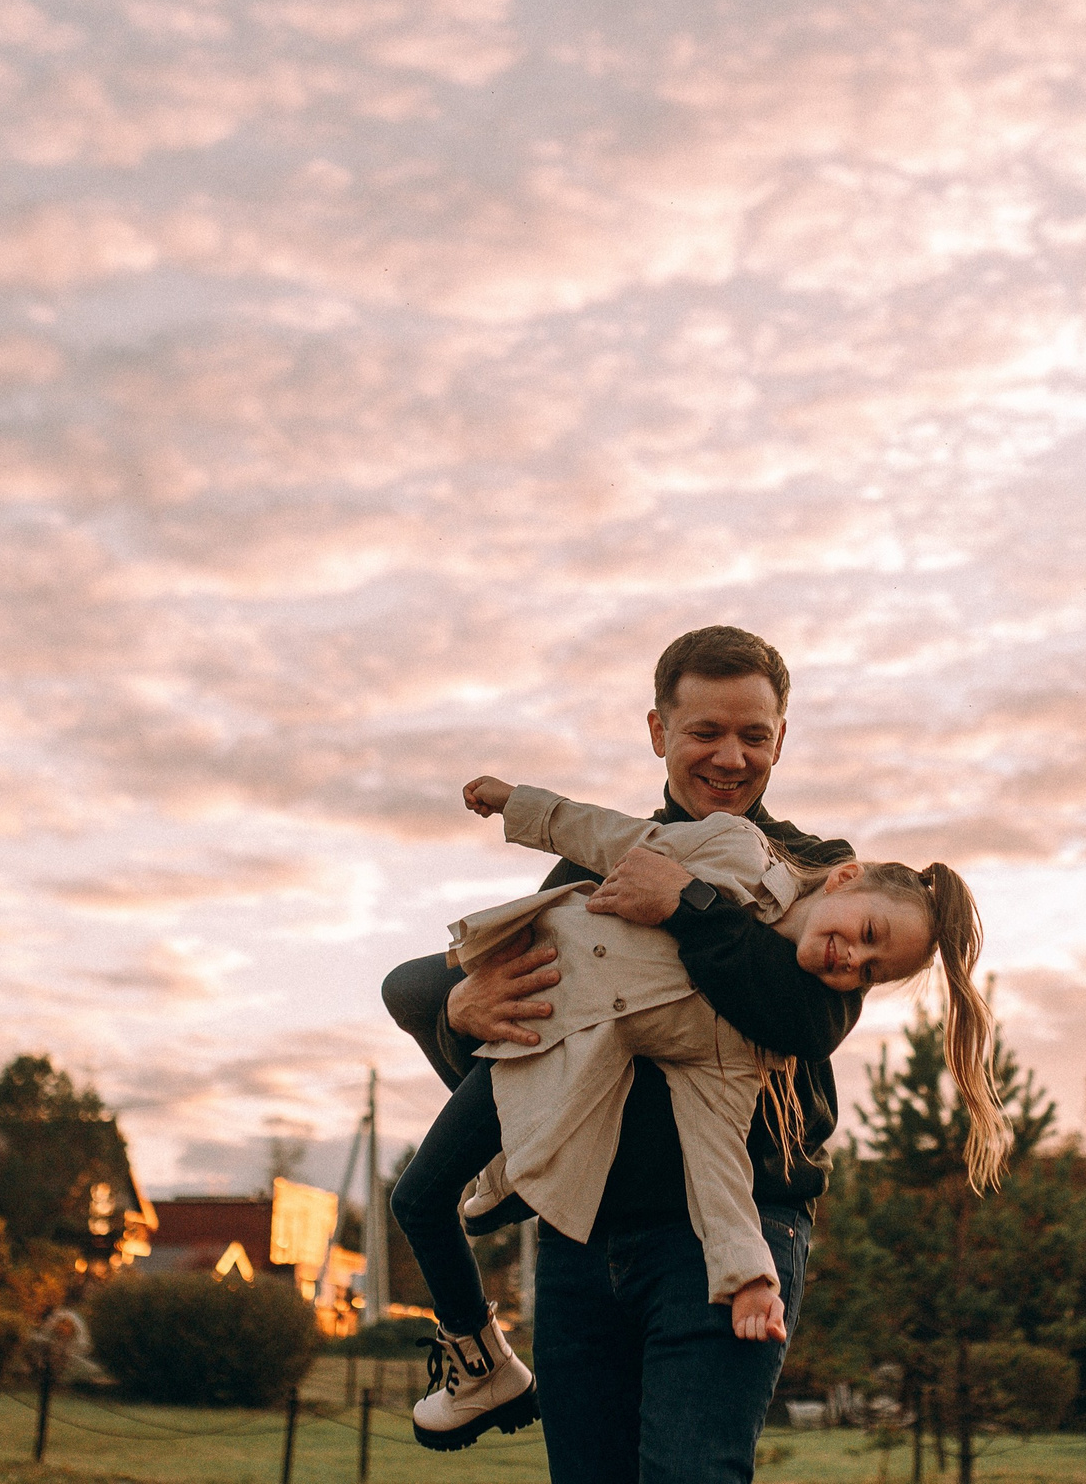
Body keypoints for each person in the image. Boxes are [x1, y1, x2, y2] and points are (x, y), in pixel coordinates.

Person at [377, 627, 863, 1482]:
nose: (730, 756)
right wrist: (459, 1010)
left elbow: (804, 1019)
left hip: (732, 1228)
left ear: (782, 738)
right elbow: (536, 1044)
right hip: (582, 1237)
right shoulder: (585, 864)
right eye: (704, 731)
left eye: (755, 735)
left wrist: (689, 903)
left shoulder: (818, 874)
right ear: (656, 732)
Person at [391, 774, 1005, 1450]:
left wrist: (747, 1277)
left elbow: (718, 1152)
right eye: (867, 933)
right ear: (844, 878)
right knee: (409, 995)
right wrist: (520, 803)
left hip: (551, 1047)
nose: (851, 958)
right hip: (530, 981)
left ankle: (485, 1364)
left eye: (871, 971)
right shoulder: (738, 849)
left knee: (418, 1199)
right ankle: (517, 1177)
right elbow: (620, 838)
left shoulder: (749, 1032)